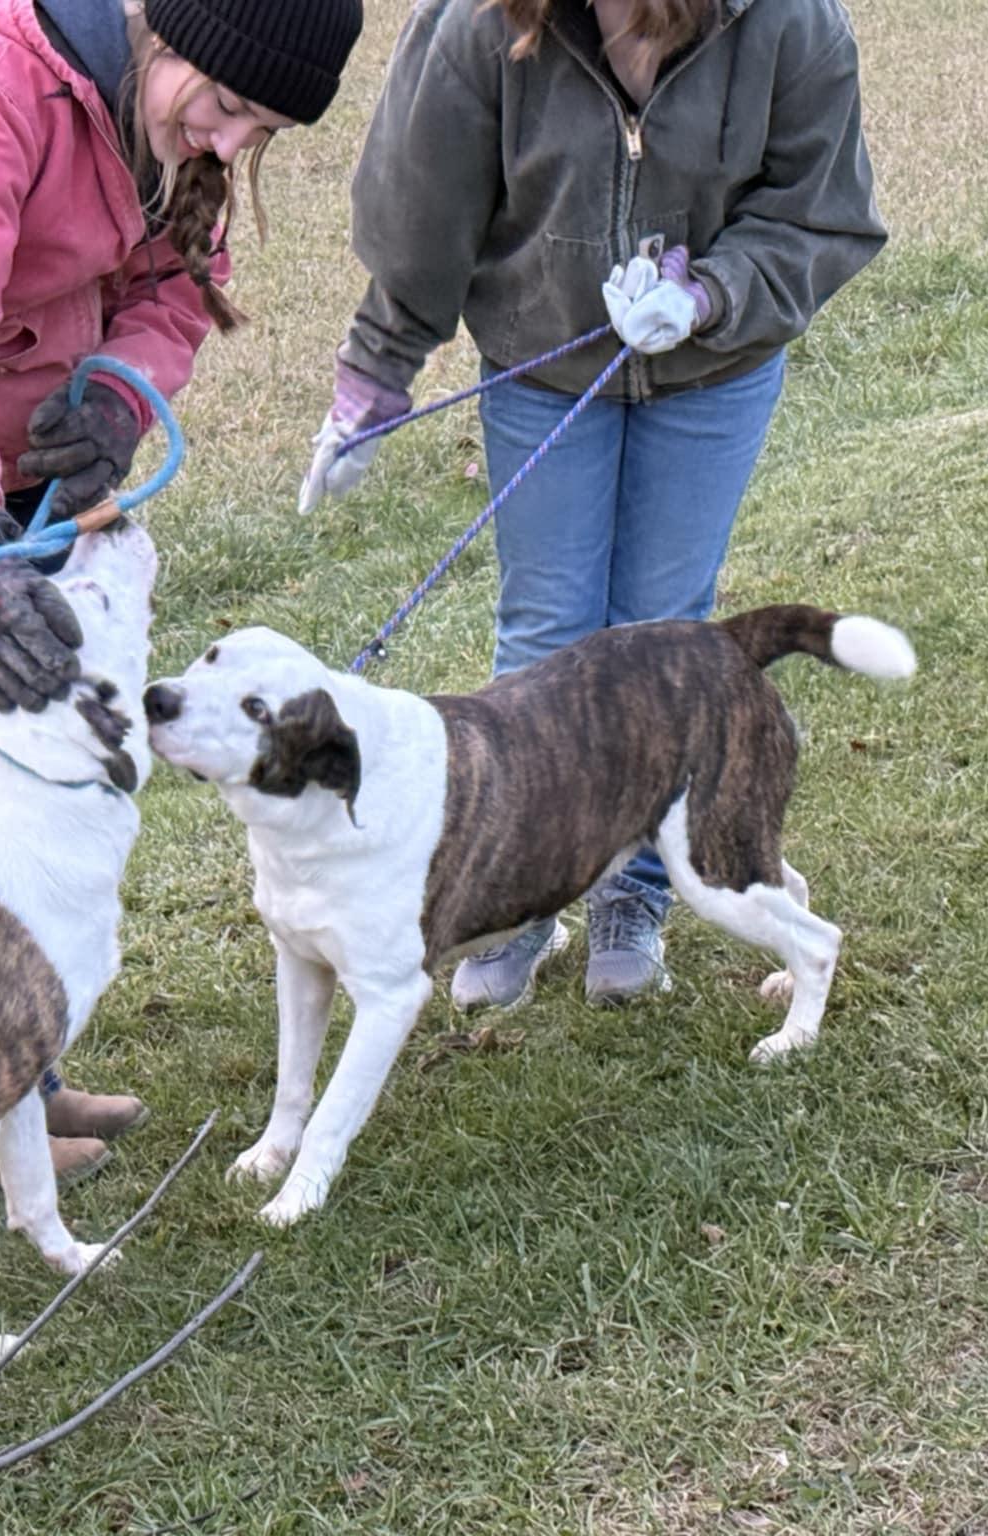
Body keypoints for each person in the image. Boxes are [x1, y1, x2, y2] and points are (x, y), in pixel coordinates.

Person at [0, 0, 364, 1187]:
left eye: (260, 131)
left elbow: (175, 288)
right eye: (223, 108)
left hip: (32, 470)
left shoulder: (167, 130)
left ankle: (20, 1081)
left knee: (42, 760)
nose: (227, 146)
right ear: (164, 31)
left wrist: (114, 392)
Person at [301, 0, 885, 1011]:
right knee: (546, 633)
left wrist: (709, 294)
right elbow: (420, 207)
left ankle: (639, 890)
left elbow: (816, 212)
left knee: (663, 632)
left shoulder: (789, 24)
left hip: (714, 370)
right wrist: (372, 382)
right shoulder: (477, 23)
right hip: (540, 366)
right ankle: (519, 897)